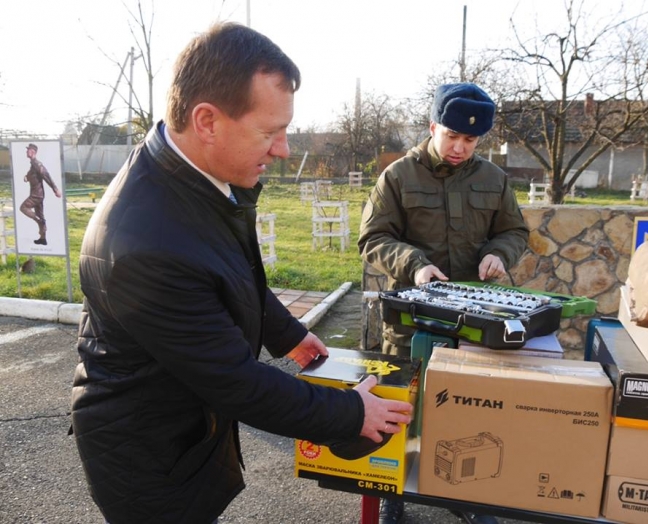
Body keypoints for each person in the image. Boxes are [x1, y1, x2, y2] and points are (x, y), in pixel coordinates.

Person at [70, 22, 412, 524]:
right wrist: (352, 414)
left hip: (187, 426)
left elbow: (235, 271)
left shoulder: (201, 178)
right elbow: (235, 382)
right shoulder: (145, 243)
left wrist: (287, 334)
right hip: (146, 457)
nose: (284, 150)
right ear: (207, 120)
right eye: (270, 132)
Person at [358, 83, 529, 524]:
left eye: (470, 140)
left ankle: (463, 496)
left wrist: (500, 253)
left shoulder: (493, 178)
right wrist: (414, 264)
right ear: (433, 126)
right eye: (452, 136)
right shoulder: (398, 176)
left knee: (469, 404)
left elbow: (515, 232)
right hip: (411, 317)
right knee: (402, 401)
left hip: (472, 320)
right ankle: (393, 488)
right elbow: (372, 238)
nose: (459, 147)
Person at [20, 143, 61, 245]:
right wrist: (27, 177)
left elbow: (46, 175)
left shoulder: (37, 164)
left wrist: (55, 189)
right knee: (40, 215)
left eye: (28, 150)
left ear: (33, 152)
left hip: (36, 195)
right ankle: (43, 239)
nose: (26, 151)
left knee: (23, 207)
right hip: (38, 194)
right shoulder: (33, 165)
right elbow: (32, 175)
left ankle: (39, 221)